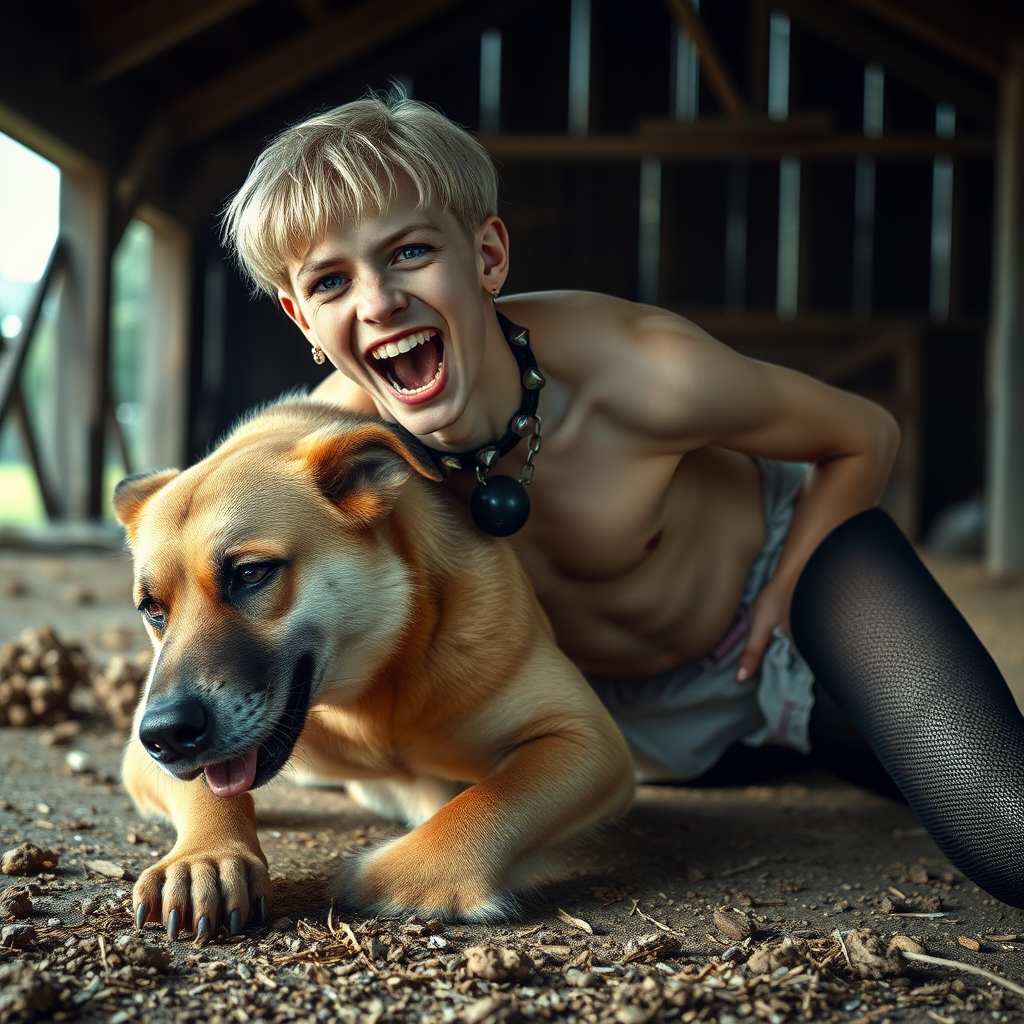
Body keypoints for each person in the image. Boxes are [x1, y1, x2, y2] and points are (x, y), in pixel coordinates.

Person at [222, 92, 1024, 908]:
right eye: (330, 281)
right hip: (639, 730)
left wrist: (788, 592)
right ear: (304, 321)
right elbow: (201, 611)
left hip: (781, 628)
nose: (379, 300)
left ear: (487, 255)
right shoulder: (330, 463)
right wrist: (217, 831)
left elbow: (864, 433)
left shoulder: (645, 374)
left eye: (410, 252)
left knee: (1008, 831)